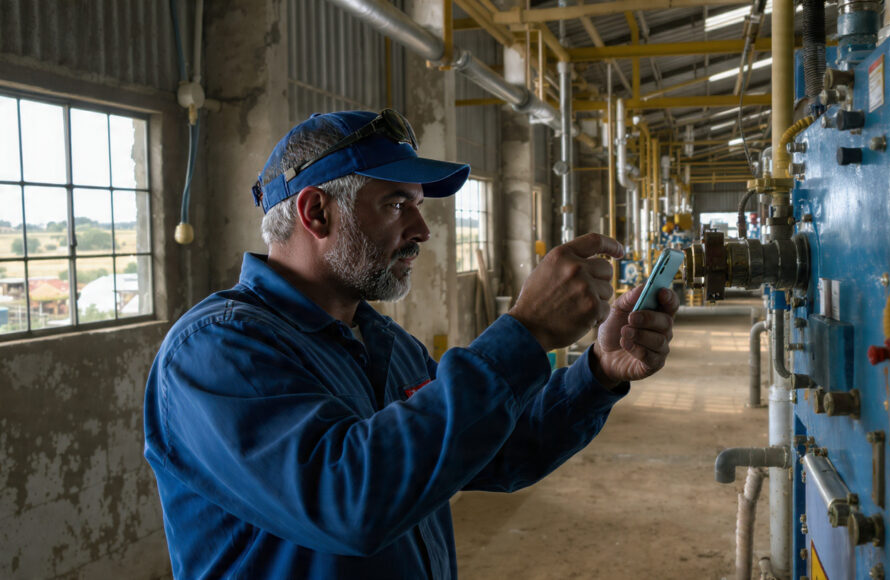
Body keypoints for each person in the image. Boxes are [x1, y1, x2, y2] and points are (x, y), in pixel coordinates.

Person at [143, 109, 678, 579]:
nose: (422, 229)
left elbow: (498, 450)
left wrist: (598, 374)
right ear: (316, 213)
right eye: (397, 203)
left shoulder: (384, 341)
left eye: (417, 205)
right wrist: (526, 333)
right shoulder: (216, 349)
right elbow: (349, 500)